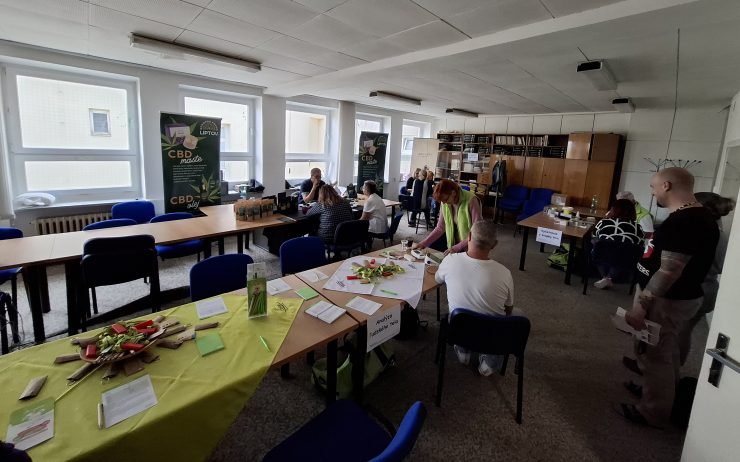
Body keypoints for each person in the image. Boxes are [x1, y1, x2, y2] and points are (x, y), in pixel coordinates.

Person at [618, 167, 719, 427]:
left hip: (665, 300)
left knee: (656, 356)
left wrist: (641, 307)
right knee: (667, 351)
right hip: (673, 298)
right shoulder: (696, 216)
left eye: (653, 186)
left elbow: (669, 271)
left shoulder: (686, 221)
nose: (652, 192)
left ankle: (653, 412)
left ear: (667, 185)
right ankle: (662, 395)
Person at [434, 220, 515, 376]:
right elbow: (508, 308)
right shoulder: (505, 273)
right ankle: (489, 361)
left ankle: (463, 349)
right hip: (490, 333)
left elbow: (437, 280)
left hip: (459, 329)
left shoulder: (450, 260)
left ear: (469, 236)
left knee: (458, 315)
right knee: (515, 316)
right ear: (494, 245)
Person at [679, 192, 736, 363]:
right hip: (708, 289)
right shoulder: (721, 234)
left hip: (694, 290)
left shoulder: (703, 233)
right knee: (684, 331)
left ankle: (670, 373)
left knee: (678, 333)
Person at [414, 179, 482, 254]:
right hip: (452, 243)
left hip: (469, 246)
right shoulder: (445, 202)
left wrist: (457, 247)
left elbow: (477, 232)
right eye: (442, 201)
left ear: (453, 193)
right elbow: (440, 228)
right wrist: (423, 243)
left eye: (445, 199)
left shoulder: (472, 200)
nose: (444, 203)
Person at [591, 199, 645, 289]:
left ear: (613, 209)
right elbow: (641, 243)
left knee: (595, 244)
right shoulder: (638, 228)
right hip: (627, 260)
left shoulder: (603, 222)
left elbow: (593, 235)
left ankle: (605, 277)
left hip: (602, 255)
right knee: (623, 251)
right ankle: (608, 278)